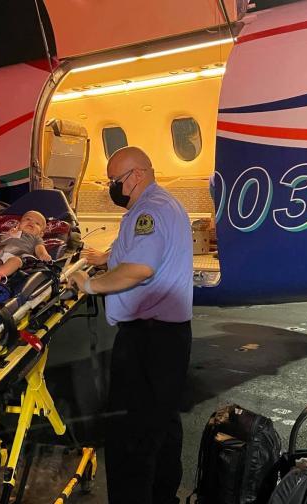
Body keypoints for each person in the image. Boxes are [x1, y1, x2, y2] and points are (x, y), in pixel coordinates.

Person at [69, 146, 193, 504]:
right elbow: (140, 254)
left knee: (131, 436)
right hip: (168, 337)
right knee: (162, 427)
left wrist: (89, 284)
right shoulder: (163, 204)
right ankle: (162, 497)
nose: (112, 187)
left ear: (136, 175)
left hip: (148, 340)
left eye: (115, 180)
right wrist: (110, 258)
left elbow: (140, 268)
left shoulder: (148, 212)